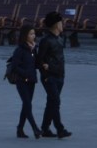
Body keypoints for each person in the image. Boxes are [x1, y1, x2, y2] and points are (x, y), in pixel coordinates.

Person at [36, 11, 71, 139]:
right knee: (55, 101)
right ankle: (60, 129)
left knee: (52, 102)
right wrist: (45, 73)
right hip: (49, 77)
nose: (63, 25)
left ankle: (45, 128)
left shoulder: (60, 39)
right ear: (56, 24)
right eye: (61, 22)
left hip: (60, 76)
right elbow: (39, 60)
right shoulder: (45, 40)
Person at [11, 24, 41, 139]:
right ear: (25, 35)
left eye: (34, 33)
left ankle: (20, 129)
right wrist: (25, 73)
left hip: (32, 81)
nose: (34, 36)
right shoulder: (19, 50)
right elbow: (14, 66)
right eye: (31, 34)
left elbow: (36, 64)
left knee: (26, 105)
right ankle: (35, 128)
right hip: (21, 81)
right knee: (28, 104)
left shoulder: (34, 49)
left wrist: (44, 64)